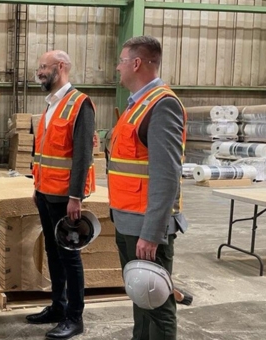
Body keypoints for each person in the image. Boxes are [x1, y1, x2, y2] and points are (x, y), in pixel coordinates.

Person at [108, 35, 188, 339]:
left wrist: (152, 234)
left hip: (145, 227)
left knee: (157, 301)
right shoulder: (136, 105)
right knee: (141, 296)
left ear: (137, 63)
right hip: (129, 220)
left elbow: (167, 176)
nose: (118, 68)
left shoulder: (161, 105)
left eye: (122, 61)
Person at [27, 50, 96, 340]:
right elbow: (44, 152)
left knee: (69, 256)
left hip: (65, 197)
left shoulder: (80, 104)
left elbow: (82, 155)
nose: (40, 72)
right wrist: (37, 185)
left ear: (62, 67)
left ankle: (74, 317)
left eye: (44, 67)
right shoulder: (51, 105)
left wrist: (76, 197)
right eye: (39, 67)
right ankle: (58, 306)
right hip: (45, 193)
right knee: (53, 253)